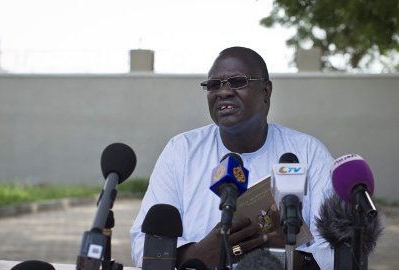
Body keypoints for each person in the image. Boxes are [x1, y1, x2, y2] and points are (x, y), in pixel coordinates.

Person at [130, 46, 334, 269]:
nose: (223, 92)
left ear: (266, 91)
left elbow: (338, 251)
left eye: (237, 82)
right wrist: (200, 254)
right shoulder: (182, 151)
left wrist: (288, 257)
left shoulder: (308, 153)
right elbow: (142, 244)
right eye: (214, 85)